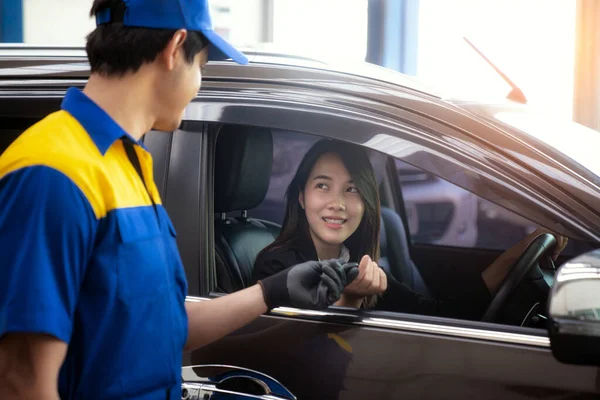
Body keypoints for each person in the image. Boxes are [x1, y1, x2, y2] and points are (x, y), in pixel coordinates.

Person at [0, 1, 359, 399]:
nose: (198, 82)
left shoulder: (128, 167)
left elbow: (164, 327)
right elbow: (23, 379)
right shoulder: (52, 172)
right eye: (201, 66)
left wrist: (271, 291)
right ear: (175, 48)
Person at [252, 138, 569, 318]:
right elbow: (298, 349)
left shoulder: (360, 265)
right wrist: (348, 302)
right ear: (301, 197)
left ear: (366, 204)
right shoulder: (276, 265)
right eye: (323, 186)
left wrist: (513, 258)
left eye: (352, 190)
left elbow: (437, 314)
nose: (337, 203)